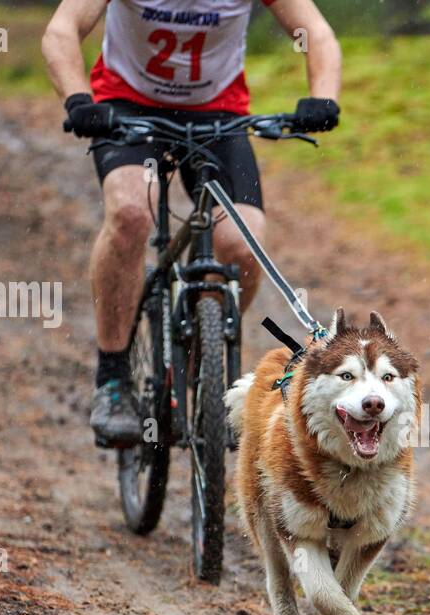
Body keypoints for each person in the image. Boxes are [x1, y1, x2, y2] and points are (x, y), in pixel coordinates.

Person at [41, 0, 342, 447]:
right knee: (129, 214)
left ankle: (203, 368)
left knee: (242, 246)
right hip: (125, 108)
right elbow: (61, 30)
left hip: (218, 115)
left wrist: (323, 96)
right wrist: (78, 99)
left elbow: (316, 32)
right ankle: (113, 378)